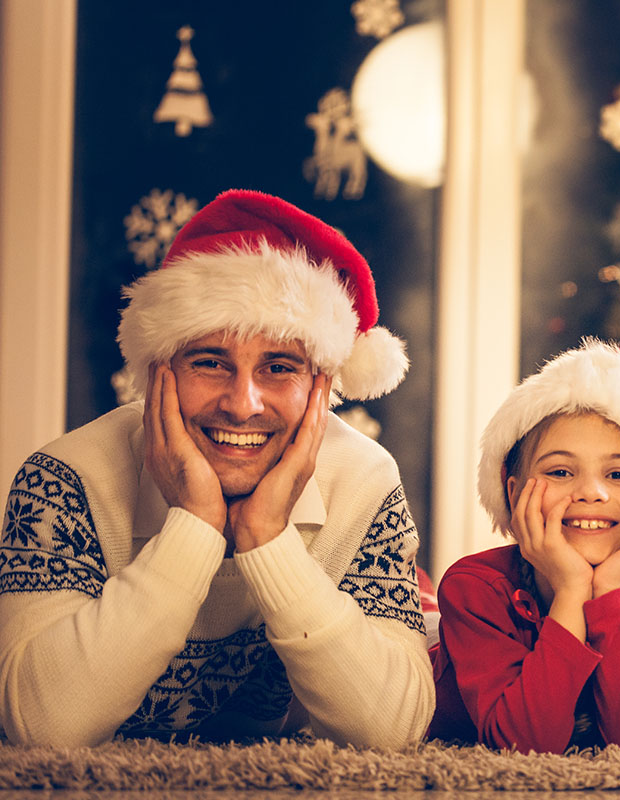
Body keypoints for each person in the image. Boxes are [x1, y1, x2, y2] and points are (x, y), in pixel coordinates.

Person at [0, 189, 434, 747]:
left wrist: (266, 539)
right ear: (161, 371)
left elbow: (395, 729)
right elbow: (41, 726)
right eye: (209, 362)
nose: (242, 403)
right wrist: (196, 525)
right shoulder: (63, 480)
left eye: (279, 368)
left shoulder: (366, 481)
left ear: (320, 390)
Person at [428, 339, 620, 754]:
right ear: (513, 495)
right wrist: (571, 590)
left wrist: (611, 593)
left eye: (619, 474)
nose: (591, 492)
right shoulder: (475, 585)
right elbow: (522, 744)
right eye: (561, 470)